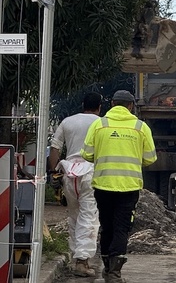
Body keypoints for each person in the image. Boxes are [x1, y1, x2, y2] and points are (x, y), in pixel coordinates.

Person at [81, 90, 157, 283]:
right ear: (131, 106)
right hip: (128, 188)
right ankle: (114, 273)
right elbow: (150, 158)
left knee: (107, 227)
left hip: (103, 185)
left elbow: (86, 154)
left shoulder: (99, 125)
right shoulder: (141, 127)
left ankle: (107, 266)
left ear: (113, 104)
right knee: (122, 228)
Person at [48, 92, 102, 278]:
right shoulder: (100, 123)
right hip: (91, 172)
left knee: (74, 216)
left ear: (82, 104)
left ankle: (76, 256)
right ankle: (82, 261)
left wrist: (54, 172)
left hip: (69, 173)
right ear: (99, 107)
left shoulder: (68, 122)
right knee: (89, 216)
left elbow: (55, 148)